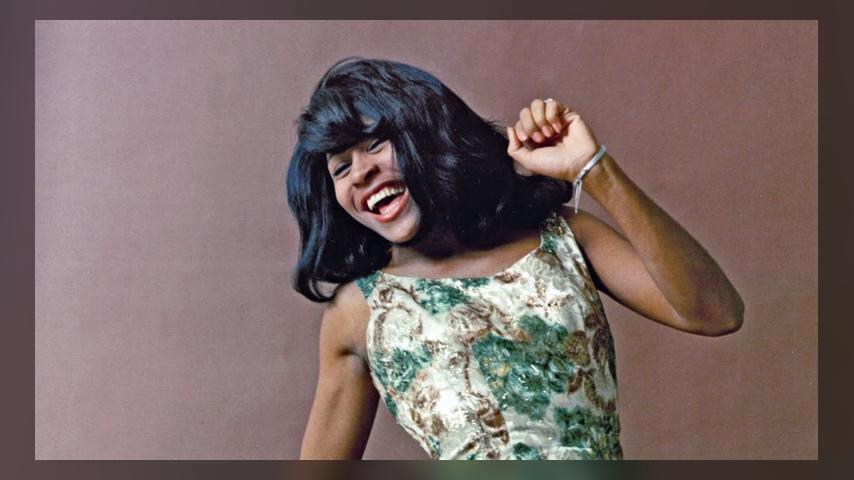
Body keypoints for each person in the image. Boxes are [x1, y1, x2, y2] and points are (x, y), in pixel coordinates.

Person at [287, 58, 744, 460]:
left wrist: (594, 169)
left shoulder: (563, 236)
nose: (361, 171)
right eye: (340, 168)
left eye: (374, 144)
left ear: (426, 133)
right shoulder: (361, 310)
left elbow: (715, 313)